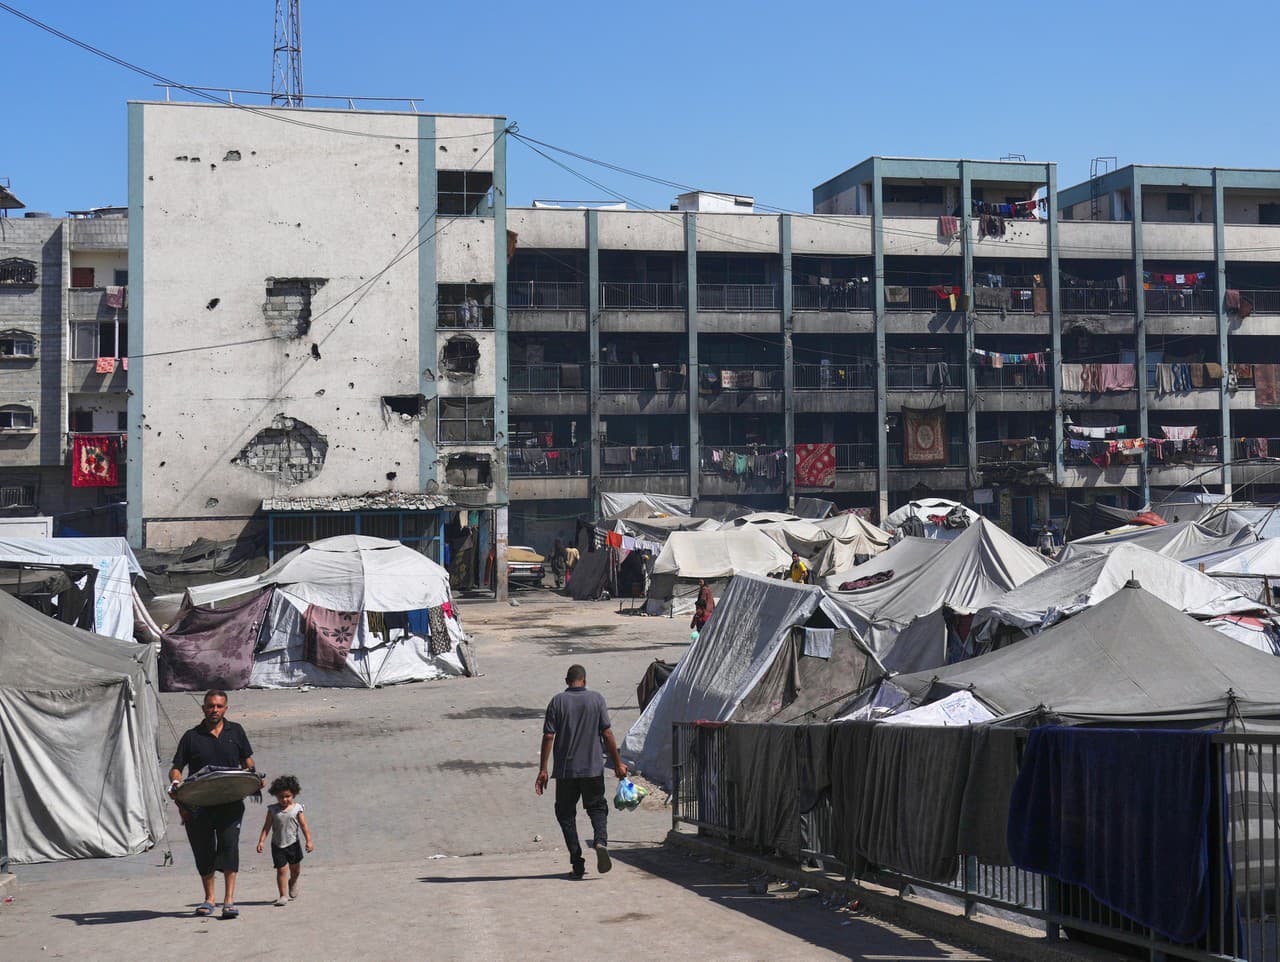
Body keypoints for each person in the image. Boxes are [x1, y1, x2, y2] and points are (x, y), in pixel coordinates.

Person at [169, 689, 263, 919]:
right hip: (199, 804)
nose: (214, 710)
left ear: (226, 708)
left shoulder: (236, 731)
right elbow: (177, 766)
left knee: (229, 846)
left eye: (219, 706)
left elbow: (247, 760)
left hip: (230, 801)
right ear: (203, 708)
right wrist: (175, 782)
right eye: (210, 706)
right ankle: (209, 899)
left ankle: (229, 900)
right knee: (204, 851)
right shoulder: (191, 736)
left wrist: (254, 777)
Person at [535, 664, 627, 879]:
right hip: (593, 768)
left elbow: (549, 736)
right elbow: (608, 734)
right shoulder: (597, 699)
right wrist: (618, 763)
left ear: (567, 681)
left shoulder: (557, 701)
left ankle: (577, 861)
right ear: (584, 680)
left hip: (566, 772)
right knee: (597, 807)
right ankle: (600, 841)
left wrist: (543, 769)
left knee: (565, 814)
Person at [256, 775, 315, 906]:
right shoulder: (272, 810)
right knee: (281, 870)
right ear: (276, 796)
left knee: (295, 869)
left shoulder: (297, 809)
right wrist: (261, 841)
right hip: (277, 845)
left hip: (293, 843)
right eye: (281, 797)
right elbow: (266, 827)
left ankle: (293, 882)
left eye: (287, 796)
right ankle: (283, 895)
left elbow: (304, 826)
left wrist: (309, 841)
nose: (284, 799)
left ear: (293, 794)